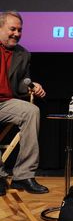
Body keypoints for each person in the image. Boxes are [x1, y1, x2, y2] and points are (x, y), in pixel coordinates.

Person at [0, 11, 48, 196]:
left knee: (31, 111)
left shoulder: (23, 54)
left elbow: (22, 83)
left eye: (20, 30)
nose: (17, 34)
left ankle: (23, 176)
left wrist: (32, 85)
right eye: (12, 29)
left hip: (6, 102)